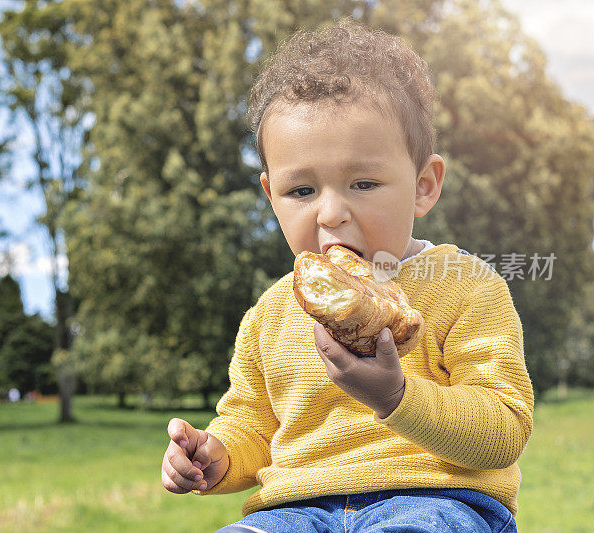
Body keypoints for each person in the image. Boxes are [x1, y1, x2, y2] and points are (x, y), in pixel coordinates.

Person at [160, 19, 534, 533]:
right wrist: (215, 456)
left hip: (437, 499)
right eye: (302, 191)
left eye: (362, 182)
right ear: (271, 197)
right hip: (295, 510)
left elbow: (503, 430)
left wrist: (396, 398)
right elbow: (253, 425)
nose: (330, 213)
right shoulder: (269, 316)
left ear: (423, 186)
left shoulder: (466, 286)